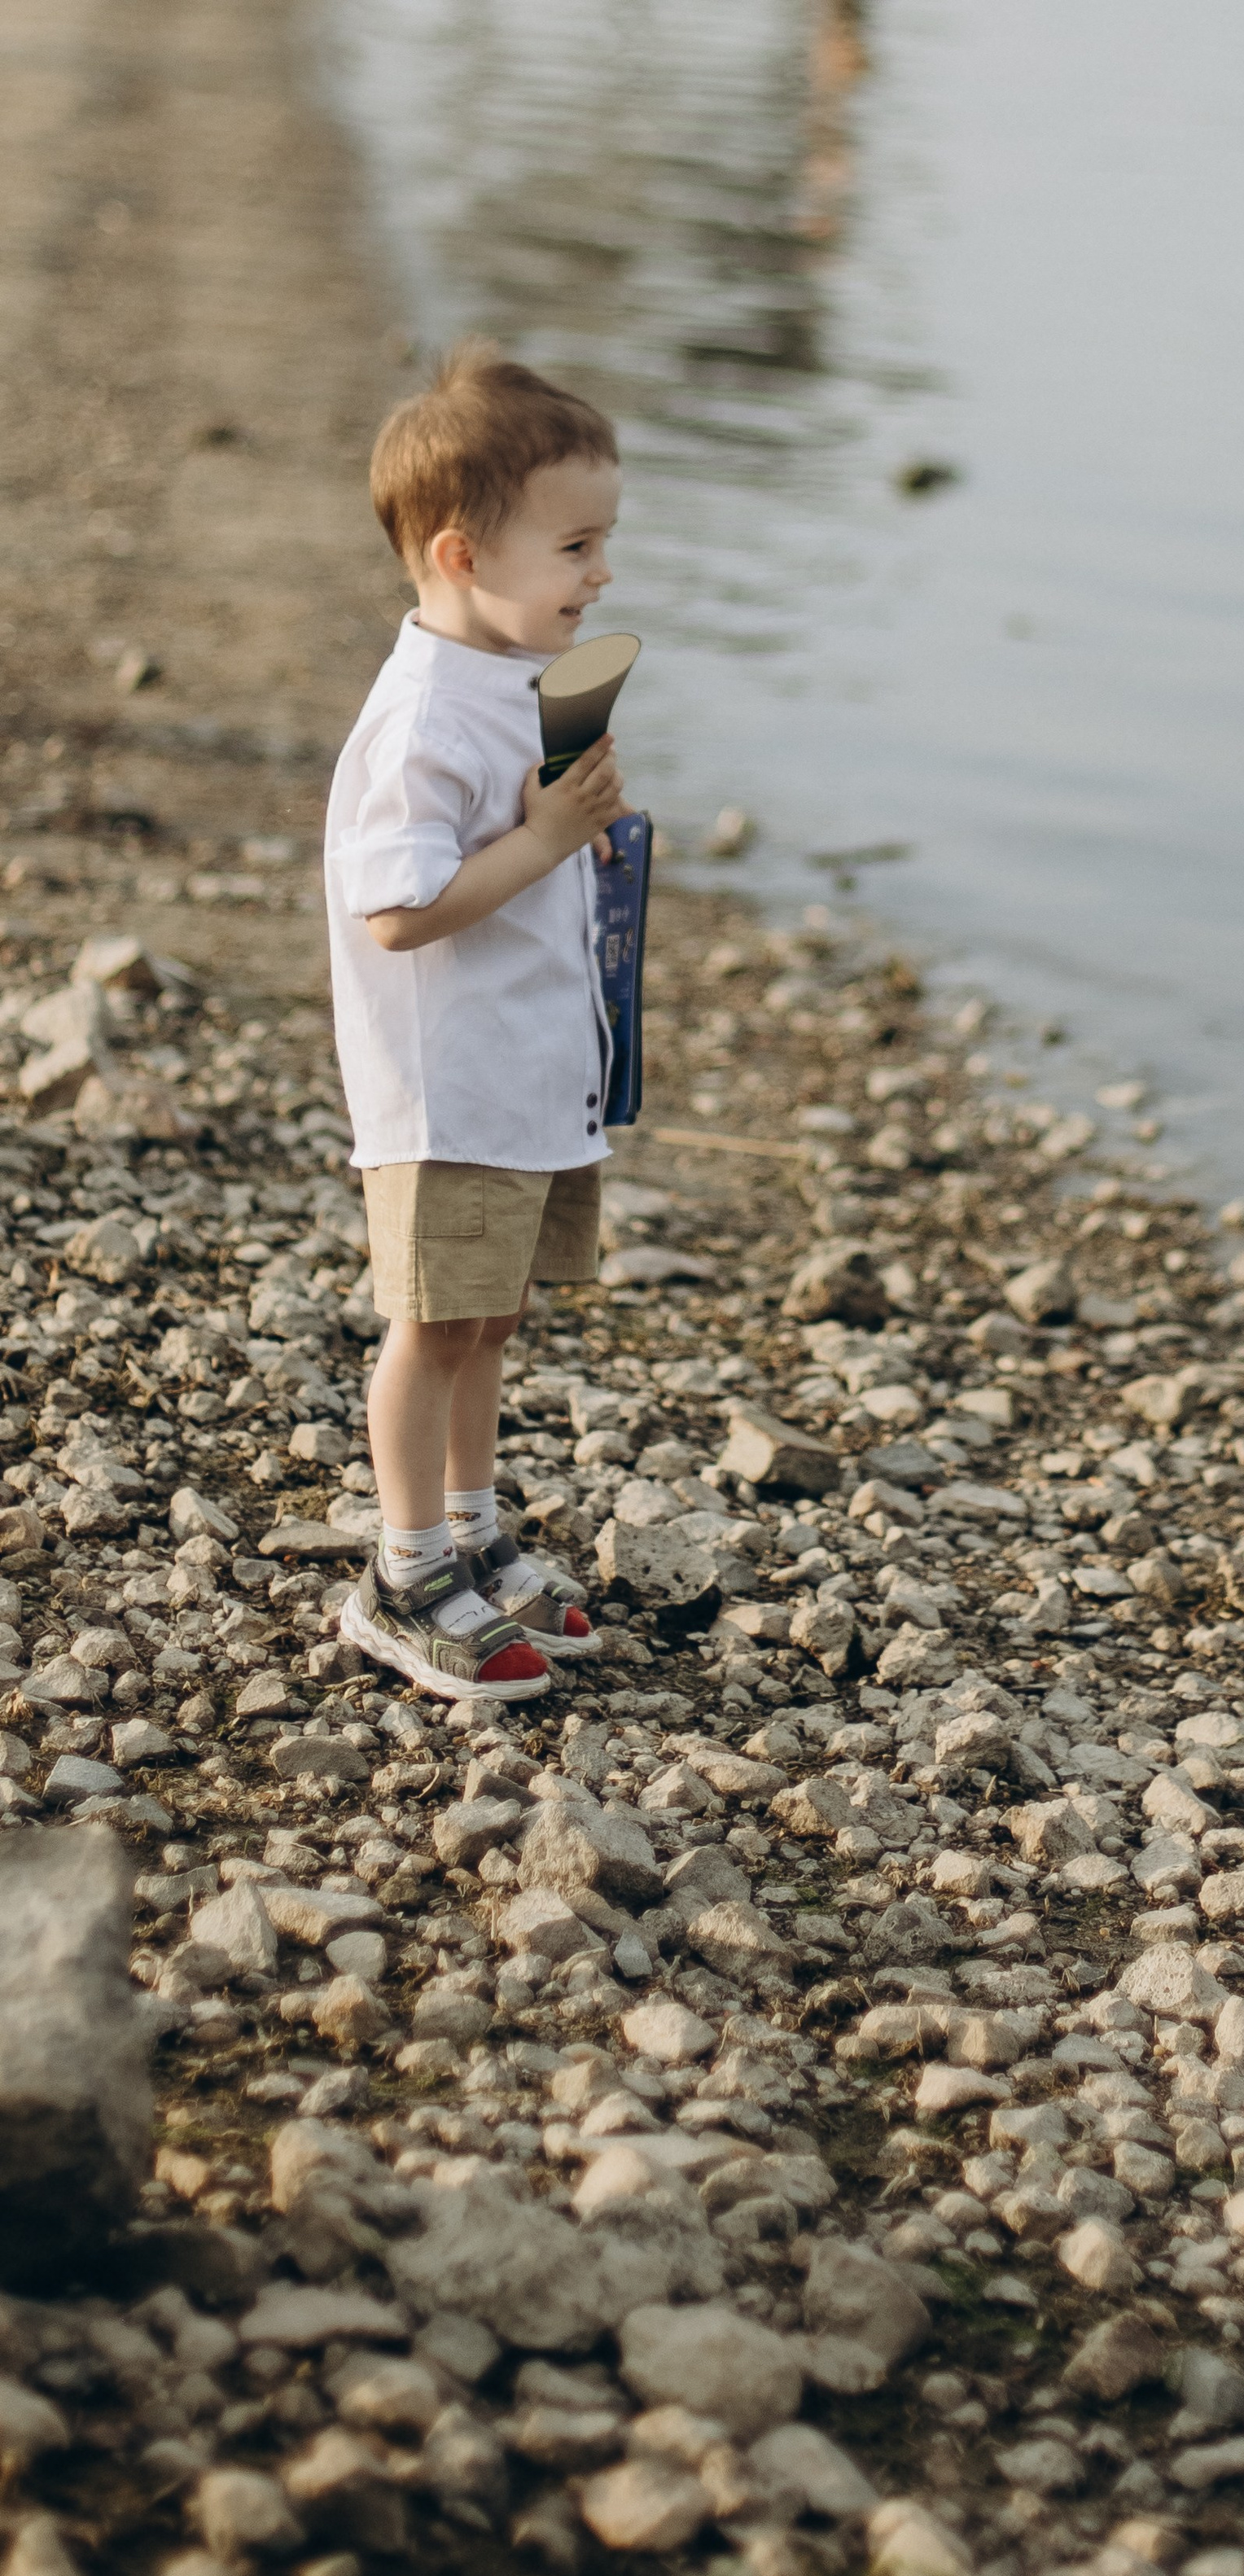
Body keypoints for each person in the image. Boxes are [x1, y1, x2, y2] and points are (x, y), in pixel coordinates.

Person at [322, 340, 629, 1699]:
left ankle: (475, 1529)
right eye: (574, 545)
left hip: (526, 1077)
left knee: (491, 1318)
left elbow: (525, 855)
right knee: (431, 1325)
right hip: (447, 1090)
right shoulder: (418, 724)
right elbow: (397, 909)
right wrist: (549, 833)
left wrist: (582, 837)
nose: (600, 573)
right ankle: (403, 1570)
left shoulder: (507, 679)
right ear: (461, 553)